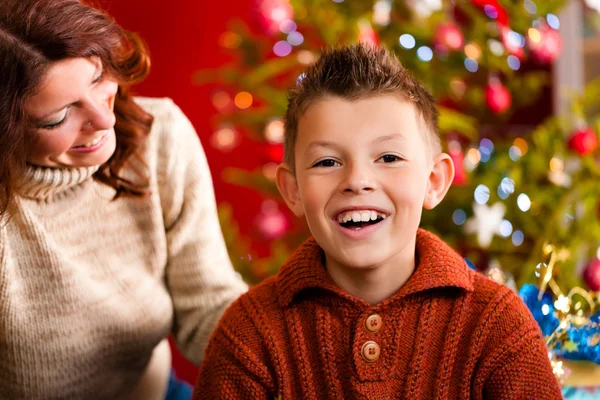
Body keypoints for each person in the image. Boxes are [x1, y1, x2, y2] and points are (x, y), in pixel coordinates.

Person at [193, 44, 563, 399]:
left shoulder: (497, 324)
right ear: (293, 190)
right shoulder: (249, 331)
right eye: (327, 162)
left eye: (388, 157)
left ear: (433, 181)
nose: (356, 180)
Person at [0, 0, 247, 399]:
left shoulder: (159, 135)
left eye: (98, 79)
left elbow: (207, 305)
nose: (104, 119)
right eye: (59, 116)